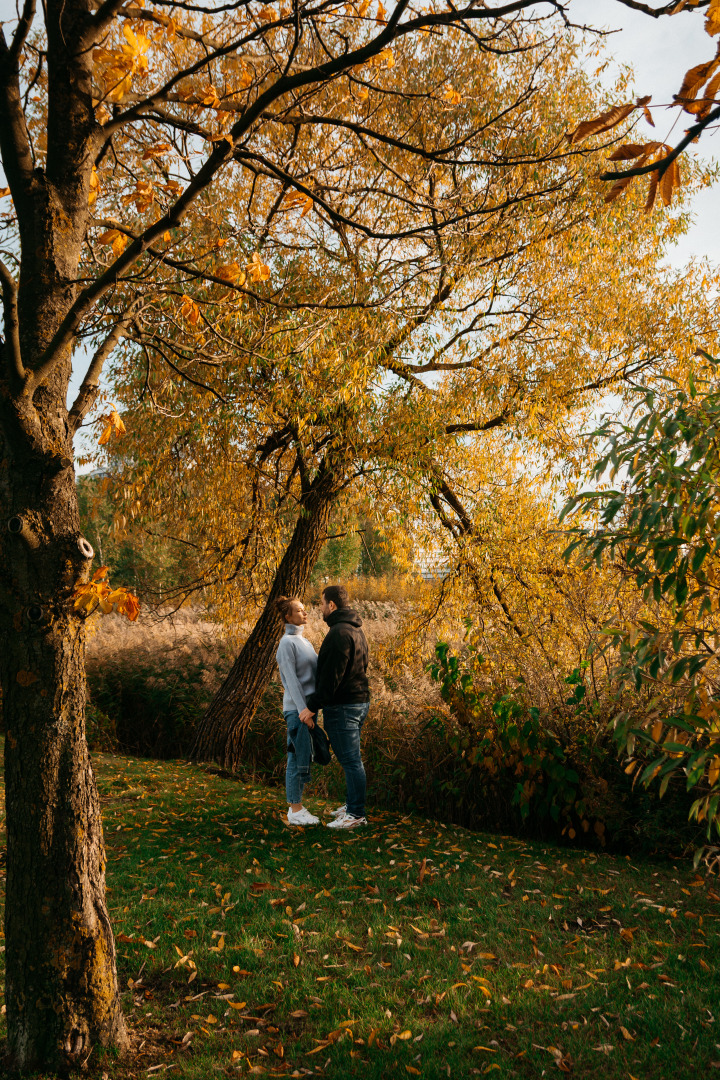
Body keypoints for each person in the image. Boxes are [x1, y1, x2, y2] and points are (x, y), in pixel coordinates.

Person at [300, 584, 370, 829]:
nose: (320, 608)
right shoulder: (355, 630)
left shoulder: (339, 633)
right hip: (358, 702)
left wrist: (312, 706)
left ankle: (356, 814)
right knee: (351, 758)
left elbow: (332, 677)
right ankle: (352, 804)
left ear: (331, 605)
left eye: (321, 603)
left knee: (351, 760)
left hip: (344, 705)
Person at [275, 595, 320, 826]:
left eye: (305, 610)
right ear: (288, 616)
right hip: (297, 711)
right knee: (295, 758)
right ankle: (295, 809)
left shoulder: (305, 642)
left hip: (308, 710)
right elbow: (291, 681)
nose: (305, 613)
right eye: (300, 610)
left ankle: (297, 806)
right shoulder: (286, 643)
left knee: (302, 756)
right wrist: (304, 710)